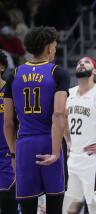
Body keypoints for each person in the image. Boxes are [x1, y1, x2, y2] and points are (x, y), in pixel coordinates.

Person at [3, 26, 70, 214]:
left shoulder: (13, 75)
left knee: (27, 206)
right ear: (48, 48)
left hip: (24, 144)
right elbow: (58, 114)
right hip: (49, 141)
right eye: (55, 46)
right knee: (55, 204)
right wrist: (56, 153)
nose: (55, 50)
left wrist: (14, 154)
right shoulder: (58, 73)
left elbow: (8, 123)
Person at [63, 56, 96, 214]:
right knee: (69, 208)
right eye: (79, 62)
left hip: (94, 160)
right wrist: (68, 140)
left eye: (86, 62)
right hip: (73, 158)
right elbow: (61, 119)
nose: (81, 64)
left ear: (95, 70)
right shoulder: (68, 94)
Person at [0, 50, 18, 213]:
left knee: (7, 201)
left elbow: (14, 123)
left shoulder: (10, 90)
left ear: (2, 67)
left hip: (6, 154)